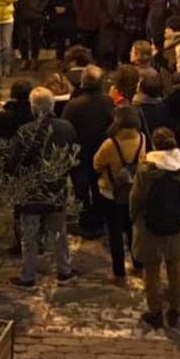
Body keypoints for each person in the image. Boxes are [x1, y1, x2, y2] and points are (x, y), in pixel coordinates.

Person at [6, 87, 80, 288]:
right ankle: (64, 271)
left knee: (29, 234)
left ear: (33, 107)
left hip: (31, 191)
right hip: (56, 188)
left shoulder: (26, 131)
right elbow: (74, 156)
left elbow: (13, 162)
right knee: (59, 232)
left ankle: (28, 275)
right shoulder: (66, 128)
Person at [129, 127, 180, 329]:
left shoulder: (145, 169)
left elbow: (136, 198)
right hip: (175, 227)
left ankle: (155, 311)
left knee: (151, 271)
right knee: (175, 268)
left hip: (149, 227)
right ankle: (175, 308)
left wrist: (134, 218)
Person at [93, 106, 148, 285]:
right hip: (133, 190)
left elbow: (97, 164)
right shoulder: (142, 139)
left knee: (115, 232)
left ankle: (119, 273)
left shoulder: (110, 143)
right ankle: (138, 264)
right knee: (133, 229)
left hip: (111, 192)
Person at [62, 65, 114, 237]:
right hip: (102, 153)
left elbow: (66, 128)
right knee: (100, 189)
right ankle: (100, 221)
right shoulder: (109, 102)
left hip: (80, 154)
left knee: (81, 191)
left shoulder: (73, 105)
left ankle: (86, 223)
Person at [14, 0, 50, 71]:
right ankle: (25, 59)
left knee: (35, 37)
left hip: (36, 14)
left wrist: (39, 9)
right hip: (21, 13)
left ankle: (34, 58)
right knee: (22, 37)